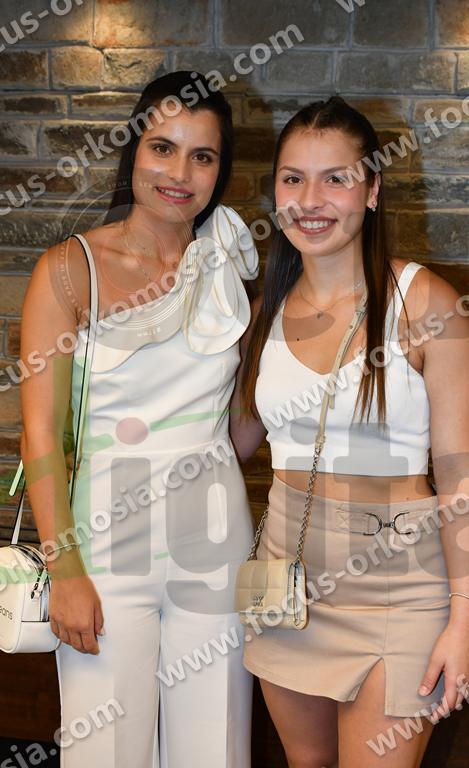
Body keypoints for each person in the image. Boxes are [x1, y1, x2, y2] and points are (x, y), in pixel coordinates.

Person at [230, 96, 469, 768]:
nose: (311, 200)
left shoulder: (425, 304)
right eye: (293, 178)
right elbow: (227, 448)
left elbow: (460, 475)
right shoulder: (261, 314)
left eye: (336, 179)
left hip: (400, 586)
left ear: (372, 190)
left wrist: (465, 619)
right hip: (288, 579)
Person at [19, 71, 258, 767]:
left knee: (216, 746)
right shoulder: (69, 269)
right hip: (103, 542)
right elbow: (40, 435)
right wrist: (64, 568)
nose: (179, 174)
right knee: (105, 746)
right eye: (162, 148)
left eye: (202, 156)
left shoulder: (230, 266)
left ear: (220, 170)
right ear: (133, 153)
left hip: (215, 536)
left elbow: (240, 425)